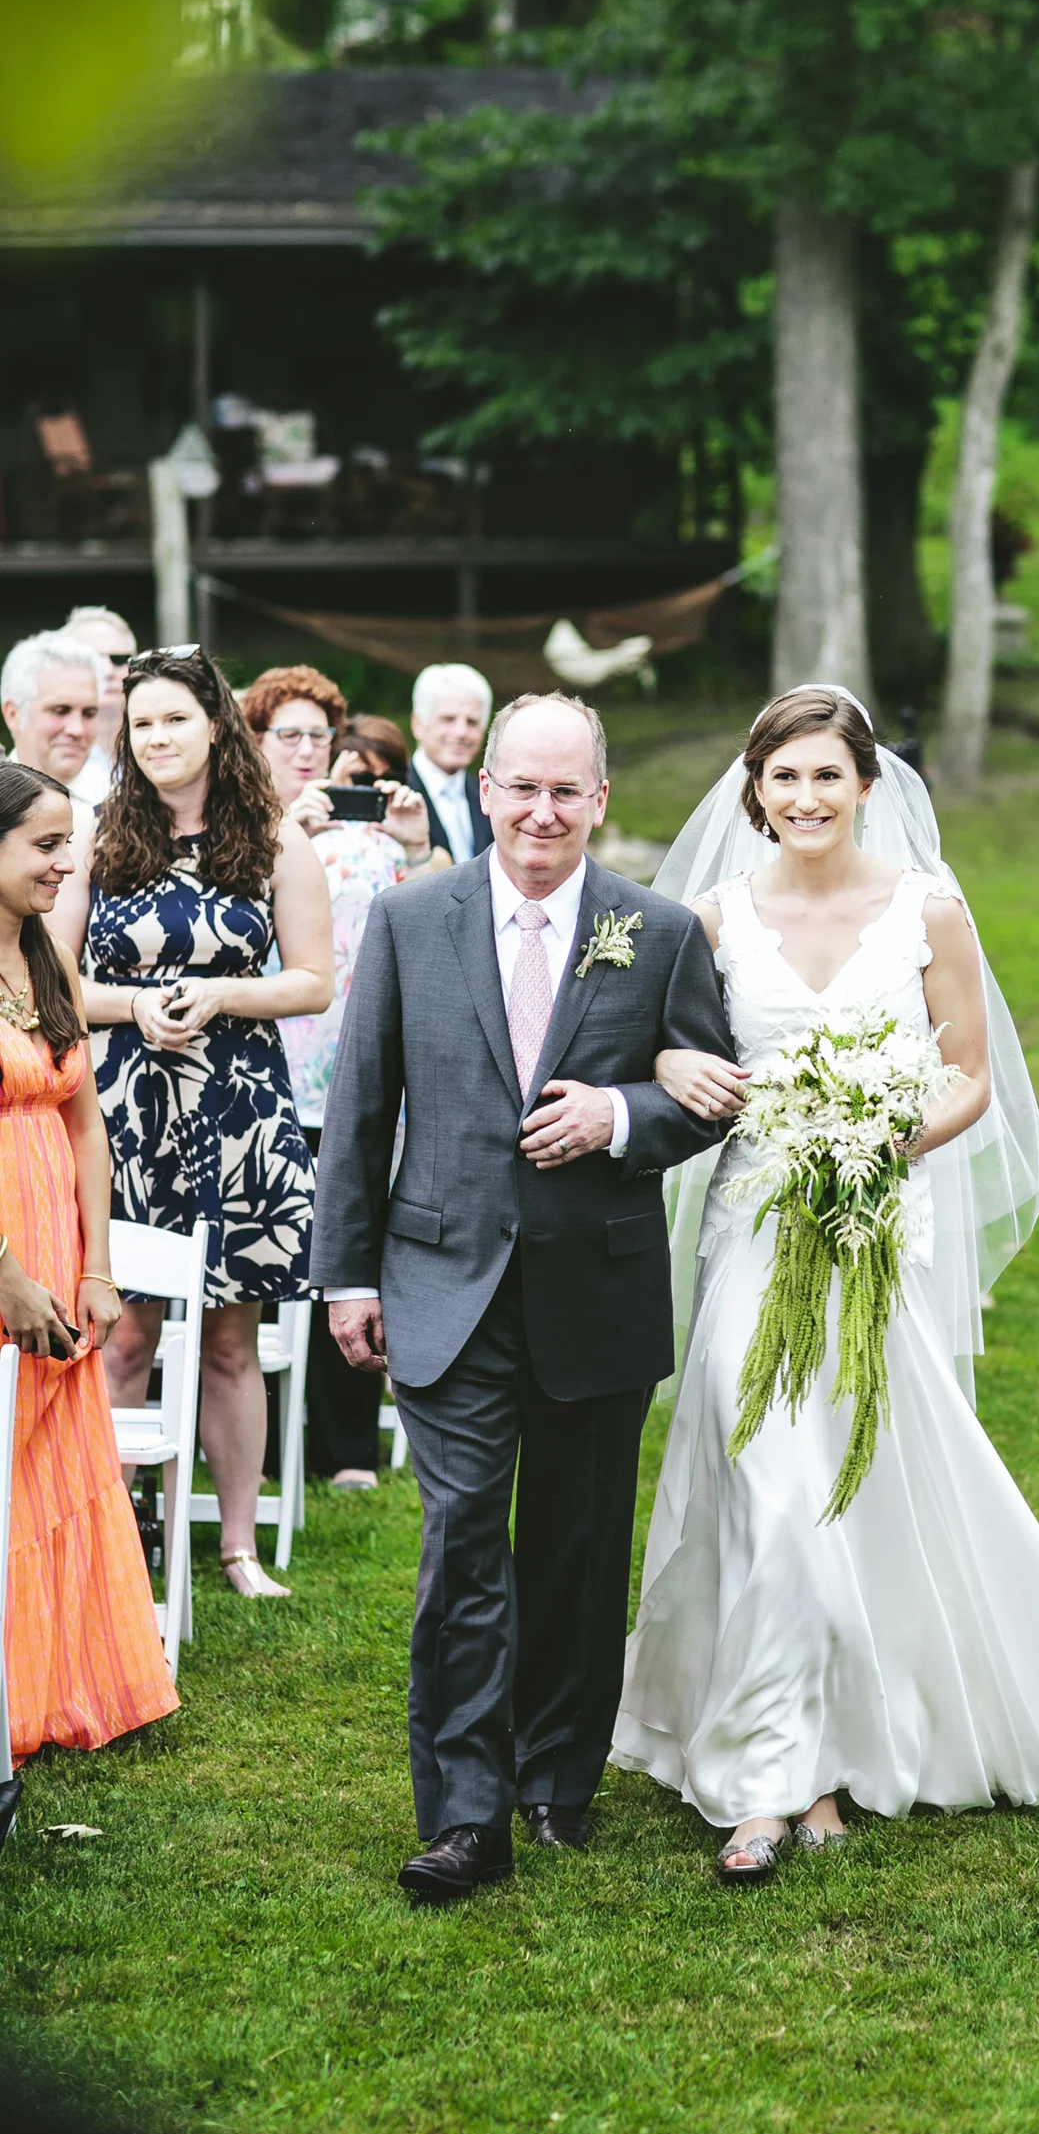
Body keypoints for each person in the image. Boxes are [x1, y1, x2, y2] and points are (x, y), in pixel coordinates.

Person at [610, 686, 1039, 1882]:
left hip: (876, 1229)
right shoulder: (709, 920)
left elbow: (969, 1072)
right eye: (785, 779)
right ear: (753, 792)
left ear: (868, 784)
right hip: (756, 1230)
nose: (807, 798)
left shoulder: (929, 908)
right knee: (770, 1482)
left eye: (829, 776)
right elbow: (653, 1046)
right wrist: (679, 1058)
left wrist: (886, 1140)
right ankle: (778, 1779)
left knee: (860, 1485)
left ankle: (845, 1739)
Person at [310, 689, 736, 1905]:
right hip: (441, 1279)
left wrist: (622, 1115)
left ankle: (559, 1776)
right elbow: (363, 1105)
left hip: (593, 1293)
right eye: (522, 786)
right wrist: (347, 1271)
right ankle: (463, 1812)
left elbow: (709, 1096)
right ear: (486, 788)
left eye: (567, 791)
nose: (542, 812)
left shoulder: (655, 931)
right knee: (461, 1546)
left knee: (576, 1548)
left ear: (601, 800)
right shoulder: (408, 918)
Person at [51, 651, 333, 1602]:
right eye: (141, 725)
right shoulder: (96, 837)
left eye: (174, 719)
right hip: (124, 1113)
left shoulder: (275, 841)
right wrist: (135, 1009)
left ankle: (238, 1548)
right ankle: (116, 1539)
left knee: (229, 1341)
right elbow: (49, 987)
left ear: (216, 725)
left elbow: (314, 979)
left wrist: (219, 994)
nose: (158, 739)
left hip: (242, 1111)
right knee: (124, 1335)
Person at [0, 760, 178, 1761]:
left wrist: (97, 1267)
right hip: (1, 1254)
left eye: (69, 844)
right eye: (46, 845)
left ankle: (54, 1688)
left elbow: (84, 1125)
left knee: (58, 1465)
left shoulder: (47, 960)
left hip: (61, 1243)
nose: (68, 865)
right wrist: (5, 1270)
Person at [241, 670, 446, 1493]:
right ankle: (253, 1452)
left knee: (348, 1248)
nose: (305, 750)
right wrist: (281, 831)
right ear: (255, 743)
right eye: (286, 736)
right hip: (265, 1072)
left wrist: (417, 845)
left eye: (318, 737)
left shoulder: (367, 835)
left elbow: (439, 921)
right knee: (262, 1264)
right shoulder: (237, 828)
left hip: (353, 1072)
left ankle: (346, 1446)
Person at [1, 631, 106, 801]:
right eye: (60, 711)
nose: (77, 730)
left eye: (89, 714)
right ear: (13, 714)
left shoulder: (126, 807)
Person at [407, 663, 493, 864]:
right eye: (448, 719)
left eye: (472, 722)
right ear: (418, 725)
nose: (461, 732)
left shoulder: (490, 794)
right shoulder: (392, 791)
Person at [62, 607, 137, 804]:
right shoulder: (46, 749)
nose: (107, 670)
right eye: (92, 659)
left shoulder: (156, 741)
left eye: (119, 659)